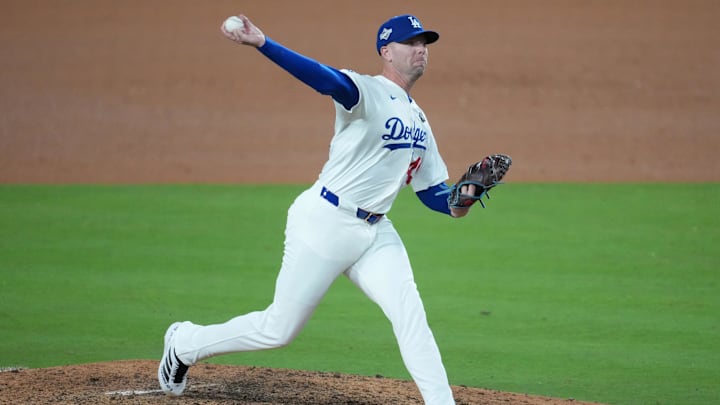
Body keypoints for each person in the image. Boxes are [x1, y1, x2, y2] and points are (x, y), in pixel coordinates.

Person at [158, 13, 482, 405]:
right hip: (325, 222)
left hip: (376, 233)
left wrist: (462, 198)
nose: (421, 50)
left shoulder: (420, 120)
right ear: (386, 52)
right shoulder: (366, 91)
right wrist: (264, 43)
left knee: (409, 312)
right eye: (411, 43)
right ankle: (185, 343)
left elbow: (434, 193)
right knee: (277, 330)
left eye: (424, 43)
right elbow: (323, 78)